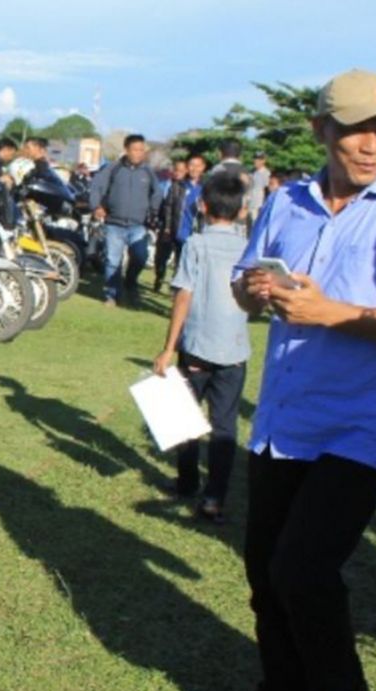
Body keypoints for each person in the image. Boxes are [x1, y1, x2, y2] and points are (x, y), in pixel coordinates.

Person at [212, 68, 376, 691]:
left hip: (359, 422)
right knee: (264, 574)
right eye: (357, 128)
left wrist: (332, 314)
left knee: (304, 567)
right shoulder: (287, 202)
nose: (373, 143)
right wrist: (255, 291)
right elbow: (242, 289)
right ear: (323, 130)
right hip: (283, 420)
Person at [151, 173, 250, 522]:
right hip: (235, 350)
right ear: (242, 211)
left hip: (197, 347)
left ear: (202, 206)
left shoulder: (195, 244)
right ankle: (214, 498)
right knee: (225, 427)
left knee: (185, 419)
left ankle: (187, 482)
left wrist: (168, 347)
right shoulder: (249, 248)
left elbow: (184, 294)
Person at [88, 133, 163, 306]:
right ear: (126, 150)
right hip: (114, 224)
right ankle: (112, 295)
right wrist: (96, 206)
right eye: (135, 150)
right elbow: (97, 187)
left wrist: (153, 210)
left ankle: (130, 282)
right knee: (113, 261)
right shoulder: (113, 168)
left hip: (138, 225)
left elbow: (157, 192)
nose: (138, 153)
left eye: (141, 150)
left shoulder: (148, 171)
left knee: (140, 257)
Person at [154, 154, 206, 292]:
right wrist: (166, 227)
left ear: (203, 168)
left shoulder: (206, 188)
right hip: (175, 230)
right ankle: (159, 278)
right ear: (187, 168)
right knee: (162, 259)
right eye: (191, 165)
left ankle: (176, 290)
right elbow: (168, 207)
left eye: (198, 166)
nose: (194, 169)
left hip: (193, 233)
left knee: (183, 264)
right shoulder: (178, 186)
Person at [247, 151, 270, 225]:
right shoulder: (252, 172)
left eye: (259, 159)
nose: (256, 161)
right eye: (255, 158)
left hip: (258, 206)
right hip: (250, 204)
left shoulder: (266, 174)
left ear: (264, 161)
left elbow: (267, 191)